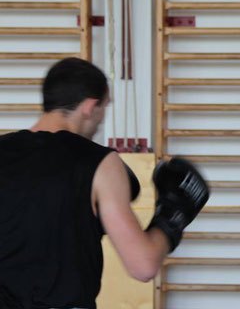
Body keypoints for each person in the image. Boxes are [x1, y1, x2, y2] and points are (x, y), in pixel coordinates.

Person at [0, 57, 210, 309]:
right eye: (104, 107)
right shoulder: (99, 163)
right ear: (90, 106)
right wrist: (173, 215)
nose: (101, 119)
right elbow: (143, 265)